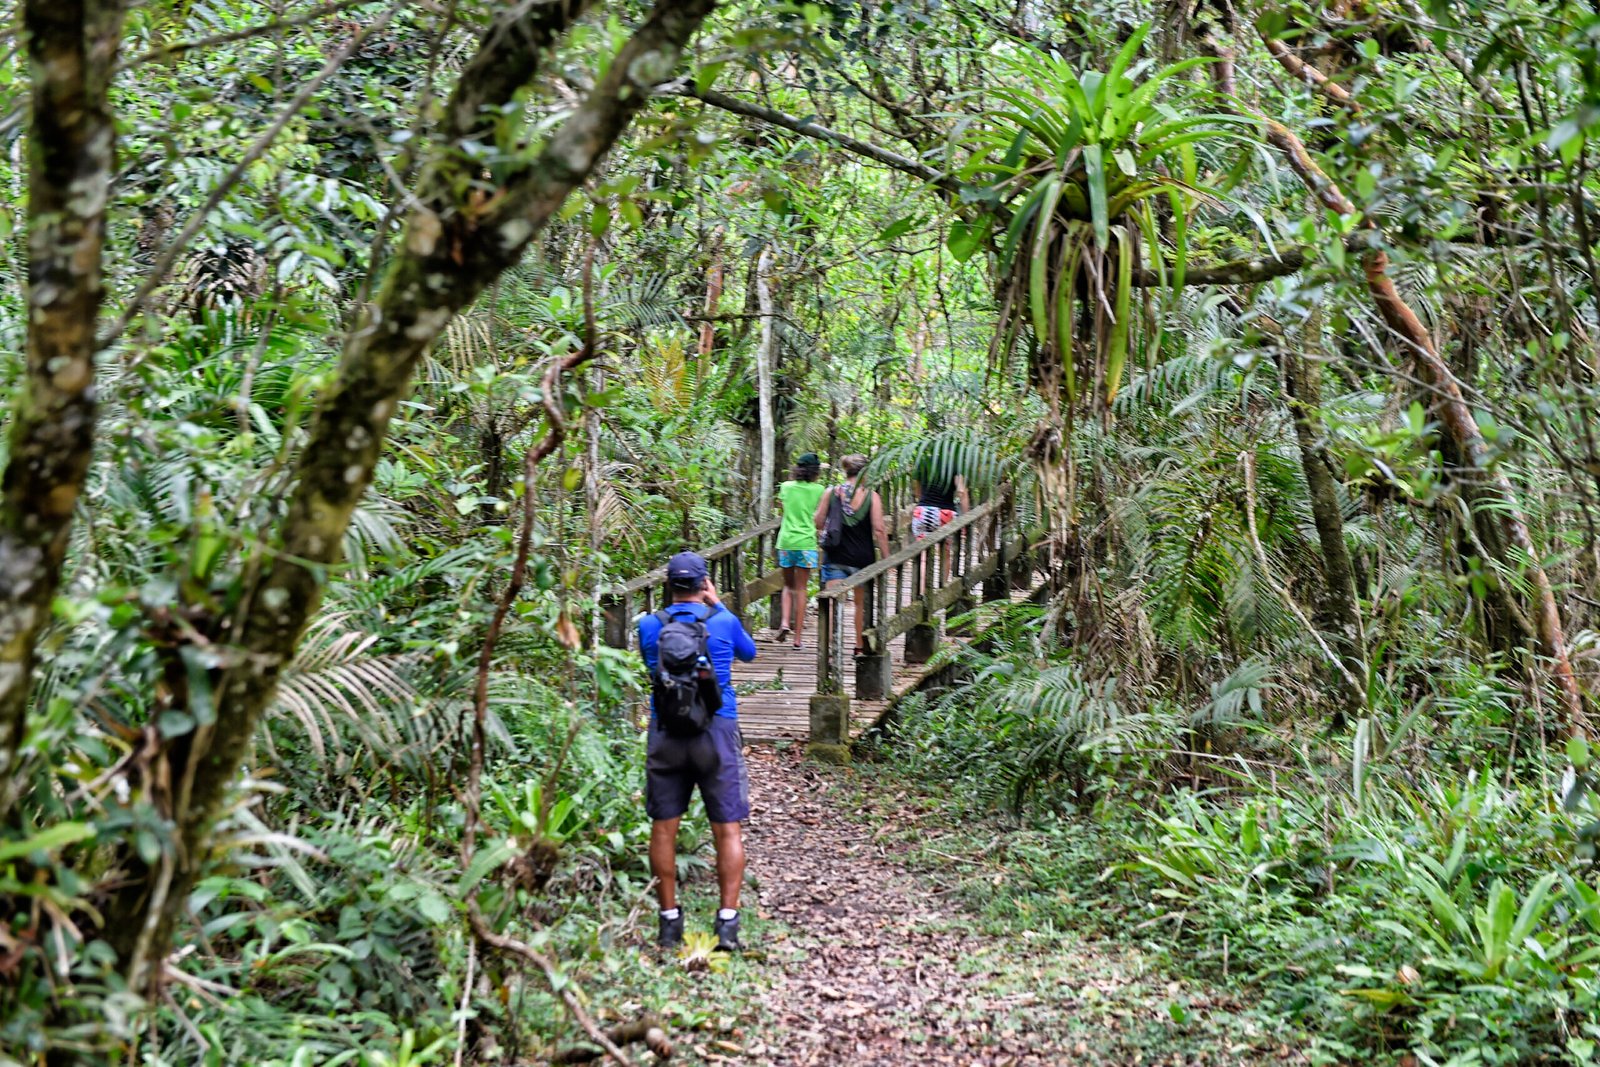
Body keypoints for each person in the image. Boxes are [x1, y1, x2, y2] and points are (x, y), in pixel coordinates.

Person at [638, 551, 758, 952]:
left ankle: (670, 923)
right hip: (718, 731)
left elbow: (651, 666)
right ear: (704, 584)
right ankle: (727, 924)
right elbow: (750, 653)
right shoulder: (724, 621)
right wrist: (719, 603)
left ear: (669, 584)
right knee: (727, 828)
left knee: (663, 827)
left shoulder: (650, 626)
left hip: (667, 732)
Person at [814, 454, 892, 658]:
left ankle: (829, 647)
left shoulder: (831, 492)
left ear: (846, 471)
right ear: (865, 473)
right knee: (861, 605)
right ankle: (859, 645)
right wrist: (887, 559)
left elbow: (819, 522)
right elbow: (879, 529)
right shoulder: (871, 496)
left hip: (836, 555)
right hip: (862, 558)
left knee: (832, 602)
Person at [774, 452, 826, 649]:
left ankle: (785, 622)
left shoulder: (786, 487)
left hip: (786, 541)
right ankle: (797, 639)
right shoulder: (819, 490)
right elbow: (820, 516)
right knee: (802, 588)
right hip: (806, 542)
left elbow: (782, 506)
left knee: (788, 585)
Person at [910, 450, 970, 587]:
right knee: (946, 554)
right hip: (945, 514)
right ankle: (941, 589)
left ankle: (922, 592)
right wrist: (966, 519)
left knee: (923, 555)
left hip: (923, 513)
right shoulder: (954, 464)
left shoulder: (923, 462)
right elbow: (962, 492)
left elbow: (917, 492)